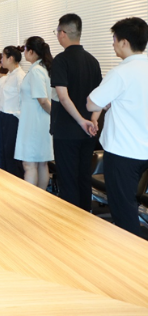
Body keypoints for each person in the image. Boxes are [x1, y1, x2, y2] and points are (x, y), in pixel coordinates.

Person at [87, 17, 148, 236]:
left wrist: (107, 102)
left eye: (114, 39)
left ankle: (131, 254)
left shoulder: (121, 72)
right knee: (131, 206)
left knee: (123, 211)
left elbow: (91, 103)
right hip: (143, 151)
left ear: (124, 42)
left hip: (123, 153)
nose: (113, 44)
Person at [51, 14, 102, 210]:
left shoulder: (61, 60)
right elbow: (98, 98)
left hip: (67, 131)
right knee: (83, 177)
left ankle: (70, 222)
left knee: (68, 179)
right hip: (89, 131)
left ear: (63, 33)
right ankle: (85, 216)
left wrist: (81, 120)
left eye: (57, 32)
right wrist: (93, 120)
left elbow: (63, 97)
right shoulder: (93, 61)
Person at [15, 37, 54, 189]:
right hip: (39, 120)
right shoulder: (41, 68)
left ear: (31, 51)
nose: (24, 52)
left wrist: (55, 117)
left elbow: (43, 100)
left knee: (30, 164)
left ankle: (30, 199)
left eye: (25, 49)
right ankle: (40, 198)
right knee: (41, 163)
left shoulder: (37, 71)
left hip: (34, 122)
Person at [0, 46, 26, 178]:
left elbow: (24, 99)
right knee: (5, 153)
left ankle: (15, 180)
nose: (1, 60)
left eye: (2, 57)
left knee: (12, 154)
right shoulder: (9, 75)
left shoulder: (20, 76)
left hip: (14, 118)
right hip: (4, 116)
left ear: (10, 58)